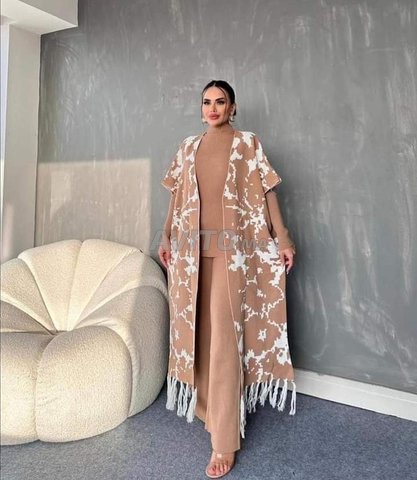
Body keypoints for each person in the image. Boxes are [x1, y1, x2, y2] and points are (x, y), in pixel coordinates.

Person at [159, 80, 296, 479]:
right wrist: (165, 237)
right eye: (207, 102)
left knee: (224, 339)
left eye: (221, 101)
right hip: (191, 253)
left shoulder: (247, 144)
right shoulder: (188, 147)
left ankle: (224, 439)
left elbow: (268, 193)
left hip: (233, 255)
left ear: (233, 107)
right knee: (200, 336)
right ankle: (212, 409)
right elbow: (176, 198)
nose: (213, 107)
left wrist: (283, 237)